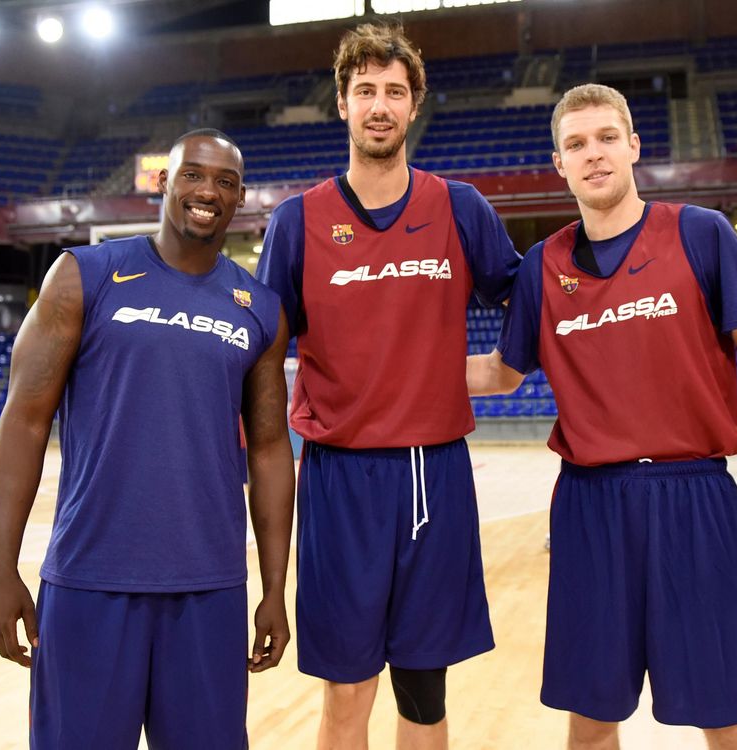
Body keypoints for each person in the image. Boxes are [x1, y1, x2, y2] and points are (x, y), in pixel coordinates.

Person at [466, 84, 737, 749]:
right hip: (590, 504)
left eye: (605, 138)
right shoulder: (543, 266)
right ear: (559, 163)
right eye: (576, 144)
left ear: (633, 146)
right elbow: (502, 373)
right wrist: (389, 374)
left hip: (694, 496)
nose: (593, 154)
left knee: (724, 711)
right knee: (592, 718)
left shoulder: (700, 234)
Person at [0, 129, 295, 749]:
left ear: (240, 199)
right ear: (164, 182)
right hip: (89, 579)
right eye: (193, 174)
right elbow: (24, 421)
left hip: (209, 587)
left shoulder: (259, 308)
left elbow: (268, 449)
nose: (208, 191)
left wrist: (274, 589)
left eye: (226, 182)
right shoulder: (83, 276)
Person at [257, 23, 520, 750]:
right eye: (365, 90)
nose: (380, 105)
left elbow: (529, 296)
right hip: (338, 477)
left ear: (414, 105)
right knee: (346, 688)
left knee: (424, 689)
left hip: (433, 472)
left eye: (395, 92)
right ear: (342, 103)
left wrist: (502, 370)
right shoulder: (297, 222)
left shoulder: (460, 207)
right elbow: (260, 357)